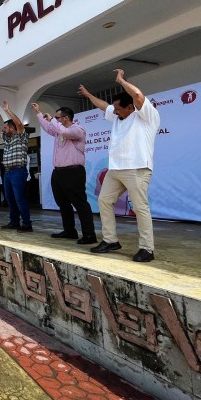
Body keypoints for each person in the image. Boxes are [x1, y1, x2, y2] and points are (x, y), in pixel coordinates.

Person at [78, 69, 161, 262]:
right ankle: (110, 240)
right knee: (104, 201)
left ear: (131, 107)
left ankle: (147, 248)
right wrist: (89, 95)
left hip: (137, 168)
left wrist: (121, 80)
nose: (113, 111)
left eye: (118, 108)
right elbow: (103, 106)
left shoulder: (147, 116)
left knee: (140, 208)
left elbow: (138, 95)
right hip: (115, 169)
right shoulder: (117, 116)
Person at [32, 102, 97, 245]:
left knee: (80, 203)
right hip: (59, 172)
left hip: (73, 171)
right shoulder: (58, 129)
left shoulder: (77, 129)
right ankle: (69, 231)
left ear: (66, 118)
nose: (55, 120)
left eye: (58, 117)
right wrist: (38, 113)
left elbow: (64, 132)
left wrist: (53, 120)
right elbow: (48, 127)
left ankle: (89, 234)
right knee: (62, 203)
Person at [0, 104, 32, 232]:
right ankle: (14, 222)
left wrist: (7, 110)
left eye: (5, 127)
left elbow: (19, 124)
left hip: (18, 171)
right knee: (10, 199)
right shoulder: (6, 138)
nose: (3, 130)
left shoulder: (22, 136)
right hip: (8, 172)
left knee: (19, 198)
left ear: (11, 128)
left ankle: (27, 224)